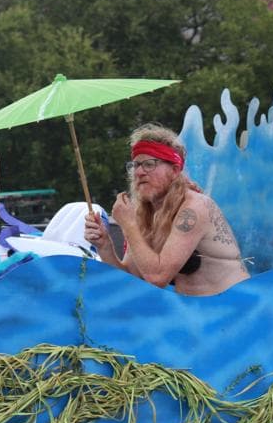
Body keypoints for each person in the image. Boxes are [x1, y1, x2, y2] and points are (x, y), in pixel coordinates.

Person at [83, 123, 249, 296]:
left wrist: (129, 225)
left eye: (149, 164)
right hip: (195, 312)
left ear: (175, 170)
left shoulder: (194, 207)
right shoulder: (145, 214)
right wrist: (104, 245)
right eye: (135, 165)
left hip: (234, 309)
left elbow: (157, 277)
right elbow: (132, 281)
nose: (139, 172)